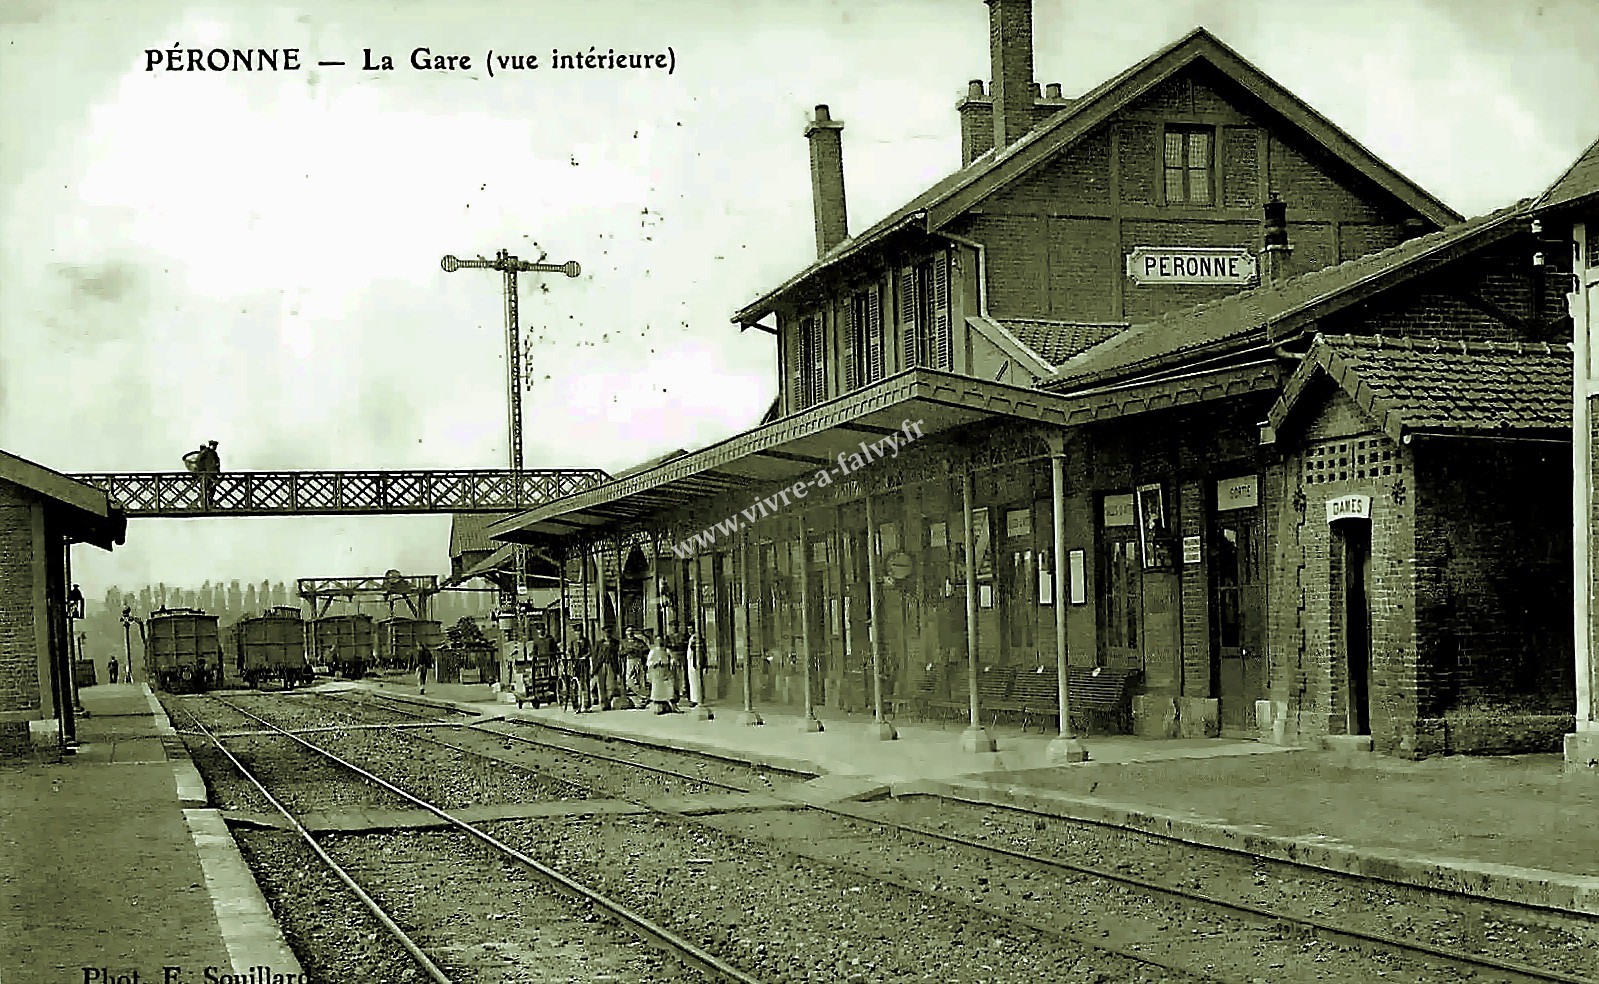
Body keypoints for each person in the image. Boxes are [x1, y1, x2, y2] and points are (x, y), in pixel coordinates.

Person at [646, 633, 680, 714]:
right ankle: (659, 707)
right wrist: (656, 663)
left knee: (670, 687)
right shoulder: (653, 651)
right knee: (657, 690)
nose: (660, 642)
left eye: (661, 641)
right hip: (657, 672)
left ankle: (673, 705)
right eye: (658, 641)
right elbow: (649, 662)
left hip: (666, 671)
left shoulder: (666, 650)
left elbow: (672, 659)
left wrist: (671, 663)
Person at [621, 628, 648, 698]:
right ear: (626, 633)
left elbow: (646, 649)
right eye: (628, 631)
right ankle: (632, 694)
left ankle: (642, 696)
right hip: (629, 661)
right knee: (629, 678)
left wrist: (638, 649)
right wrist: (627, 651)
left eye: (631, 631)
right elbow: (620, 652)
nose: (630, 633)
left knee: (639, 678)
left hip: (638, 660)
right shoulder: (624, 642)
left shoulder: (639, 641)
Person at [685, 627, 704, 707]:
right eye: (688, 629)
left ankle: (696, 699)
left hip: (694, 661)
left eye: (691, 628)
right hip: (690, 661)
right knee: (692, 680)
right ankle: (693, 698)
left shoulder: (695, 637)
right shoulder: (690, 637)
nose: (690, 630)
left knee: (695, 680)